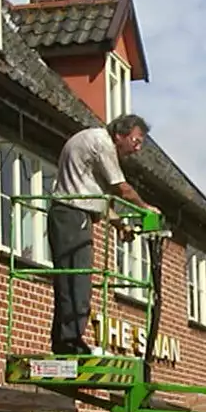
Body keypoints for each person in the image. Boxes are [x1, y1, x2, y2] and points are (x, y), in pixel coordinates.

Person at [47, 114, 153, 355]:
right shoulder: (102, 144)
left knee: (70, 279)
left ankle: (66, 341)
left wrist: (119, 225)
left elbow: (99, 200)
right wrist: (146, 208)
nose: (137, 149)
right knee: (77, 281)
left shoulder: (92, 145)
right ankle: (70, 343)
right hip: (73, 216)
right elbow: (122, 189)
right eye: (136, 141)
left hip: (71, 214)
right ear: (120, 135)